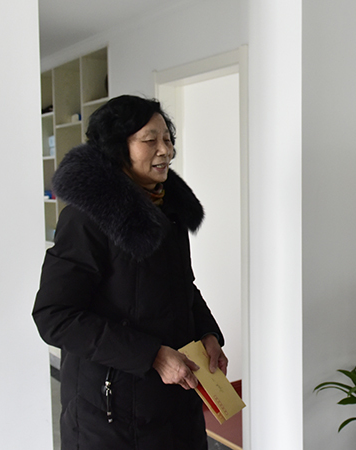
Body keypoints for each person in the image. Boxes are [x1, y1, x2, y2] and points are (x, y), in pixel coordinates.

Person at [33, 95, 227, 450]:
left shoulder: (166, 208)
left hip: (175, 402)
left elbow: (183, 286)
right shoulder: (86, 219)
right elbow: (55, 316)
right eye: (150, 140)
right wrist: (151, 355)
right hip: (110, 417)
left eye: (167, 138)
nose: (165, 150)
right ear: (116, 148)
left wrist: (208, 333)